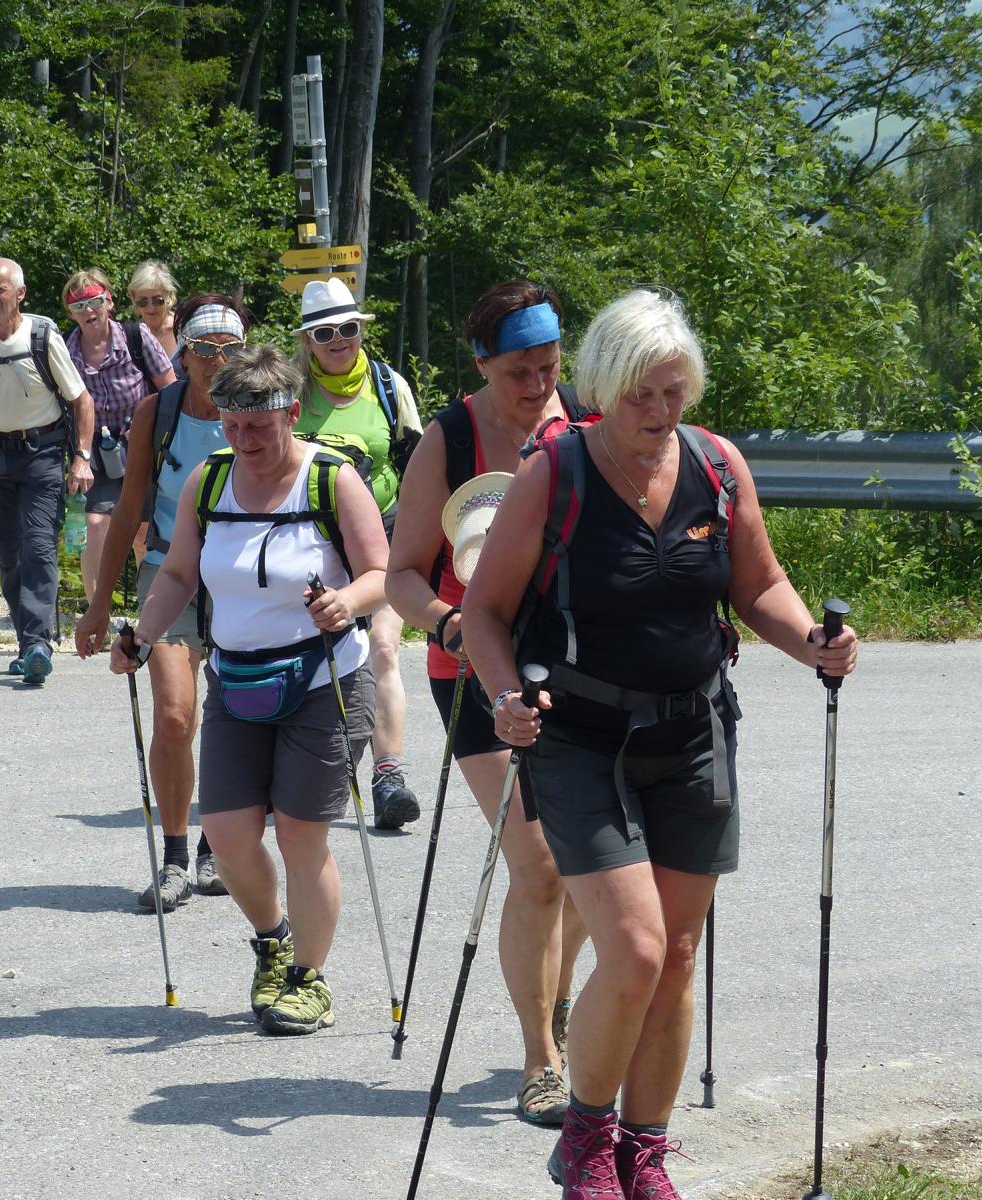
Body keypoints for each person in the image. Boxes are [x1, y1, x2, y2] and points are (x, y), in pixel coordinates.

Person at [459, 288, 859, 1199]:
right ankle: (585, 1140)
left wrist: (812, 643)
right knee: (636, 950)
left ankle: (644, 1152)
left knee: (677, 955)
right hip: (577, 737)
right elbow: (483, 611)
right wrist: (505, 694)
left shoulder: (716, 466)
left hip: (692, 732)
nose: (659, 410)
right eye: (641, 393)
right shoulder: (555, 474)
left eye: (674, 391)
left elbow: (760, 586)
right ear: (604, 386)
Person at [112, 344, 389, 1036]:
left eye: (259, 426)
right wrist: (142, 636)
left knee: (300, 834)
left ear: (292, 414)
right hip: (236, 679)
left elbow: (383, 574)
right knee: (229, 835)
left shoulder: (331, 480)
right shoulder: (209, 481)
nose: (245, 440)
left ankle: (309, 980)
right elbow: (179, 574)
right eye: (232, 426)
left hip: (324, 677)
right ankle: (274, 941)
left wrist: (346, 603)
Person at [386, 281, 591, 1126]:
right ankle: (540, 1058)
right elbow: (402, 574)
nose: (538, 385)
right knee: (539, 863)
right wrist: (450, 624)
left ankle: (559, 998)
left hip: (579, 666)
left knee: (592, 862)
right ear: (480, 363)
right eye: (518, 372)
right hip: (473, 669)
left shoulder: (586, 422)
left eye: (548, 366)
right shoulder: (450, 438)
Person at [76, 294, 251, 910]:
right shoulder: (160, 411)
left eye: (229, 349)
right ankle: (176, 859)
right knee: (176, 717)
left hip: (241, 576)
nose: (216, 361)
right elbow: (129, 509)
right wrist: (99, 606)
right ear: (185, 353)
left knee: (237, 717)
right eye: (203, 348)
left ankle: (214, 848)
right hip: (166, 571)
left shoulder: (258, 411)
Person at [293, 277, 425, 830]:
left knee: (384, 650)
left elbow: (420, 462)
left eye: (348, 328)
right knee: (320, 656)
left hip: (387, 536)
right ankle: (308, 770)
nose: (339, 340)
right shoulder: (292, 391)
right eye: (325, 332)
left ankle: (388, 776)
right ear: (308, 340)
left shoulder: (389, 386)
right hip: (316, 543)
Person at [0, 257, 94, 686]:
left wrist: (82, 458)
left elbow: (82, 400)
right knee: (10, 554)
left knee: (39, 547)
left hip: (42, 455)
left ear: (20, 293)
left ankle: (37, 645)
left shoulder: (43, 336)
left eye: (0, 289)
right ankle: (27, 644)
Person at [62, 268, 179, 607]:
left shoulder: (135, 337)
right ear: (70, 312)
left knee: (143, 533)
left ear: (109, 302)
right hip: (91, 453)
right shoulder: (66, 348)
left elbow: (170, 390)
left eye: (95, 301)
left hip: (141, 446)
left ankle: (150, 611)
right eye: (78, 306)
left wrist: (148, 423)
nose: (88, 311)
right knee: (94, 525)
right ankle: (97, 610)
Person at [126, 259, 181, 369]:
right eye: (143, 301)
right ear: (133, 299)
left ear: (169, 296)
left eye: (157, 300)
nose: (150, 308)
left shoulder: (183, 328)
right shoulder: (131, 337)